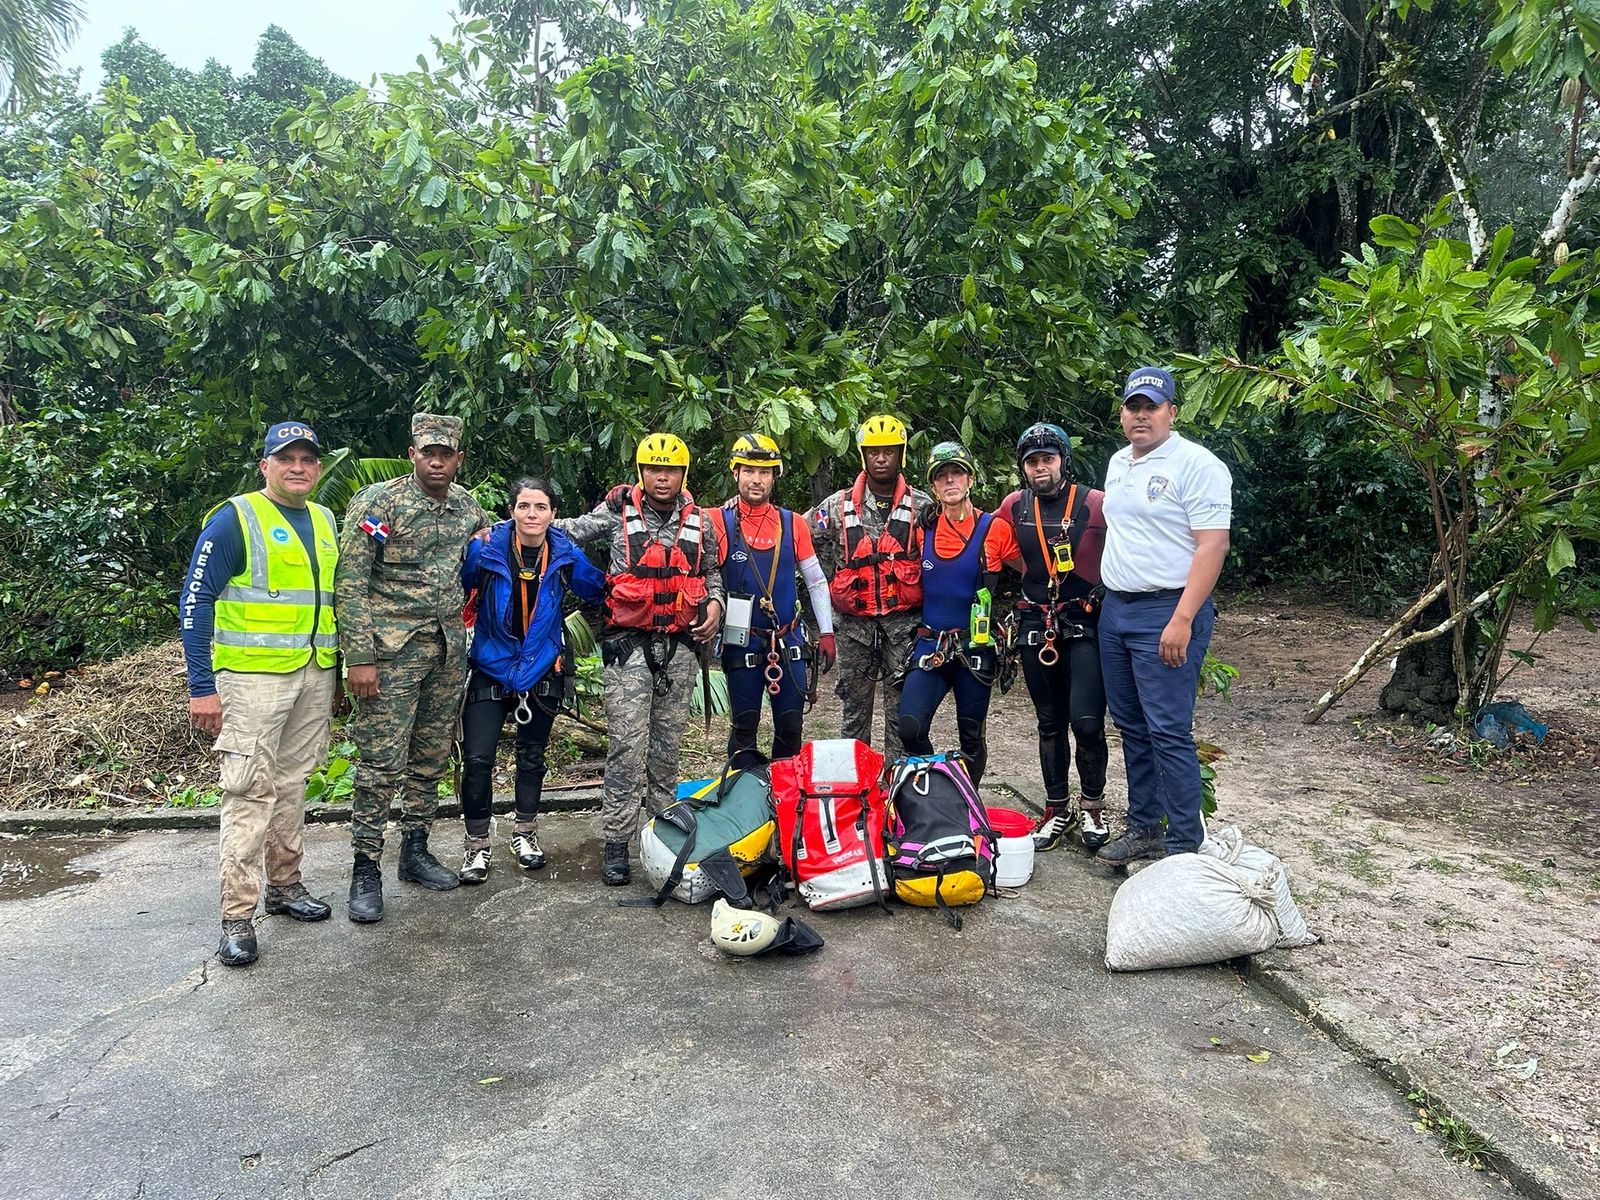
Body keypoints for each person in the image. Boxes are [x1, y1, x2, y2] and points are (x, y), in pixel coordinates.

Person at [180, 421, 340, 967]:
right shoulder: (236, 518)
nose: (298, 467)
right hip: (251, 680)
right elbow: (195, 602)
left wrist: (336, 673)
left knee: (292, 784)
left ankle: (286, 885)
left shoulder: (325, 520)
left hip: (313, 673)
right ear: (265, 466)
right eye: (286, 458)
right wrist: (202, 686)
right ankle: (237, 916)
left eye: (307, 459)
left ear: (317, 467)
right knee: (248, 790)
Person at [336, 412, 491, 921]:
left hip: (446, 655)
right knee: (380, 763)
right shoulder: (380, 504)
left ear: (458, 458)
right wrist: (359, 657)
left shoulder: (466, 507)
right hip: (390, 656)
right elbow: (351, 582)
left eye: (446, 453)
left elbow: (495, 540)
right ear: (413, 454)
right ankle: (365, 868)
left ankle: (415, 850)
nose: (437, 461)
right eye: (429, 452)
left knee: (430, 757)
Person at [557, 434, 725, 886]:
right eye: (653, 469)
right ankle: (616, 842)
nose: (661, 477)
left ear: (683, 474)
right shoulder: (616, 512)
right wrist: (514, 524)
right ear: (641, 472)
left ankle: (661, 838)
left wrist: (715, 604)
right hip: (628, 648)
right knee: (626, 751)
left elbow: (711, 573)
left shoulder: (702, 523)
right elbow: (565, 531)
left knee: (666, 752)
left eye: (670, 470)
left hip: (680, 649)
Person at [1095, 367, 1232, 866]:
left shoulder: (1198, 465)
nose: (1141, 415)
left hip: (1168, 610)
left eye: (1151, 407)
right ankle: (1145, 830)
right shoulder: (1118, 463)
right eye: (1133, 406)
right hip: (1117, 611)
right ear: (1122, 413)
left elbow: (1213, 545)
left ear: (1172, 411)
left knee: (1168, 731)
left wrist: (1183, 617)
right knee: (1131, 727)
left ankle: (1183, 847)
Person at [456, 478, 606, 882]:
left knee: (532, 756)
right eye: (524, 506)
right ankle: (476, 845)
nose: (532, 514)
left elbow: (600, 591)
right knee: (477, 759)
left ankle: (525, 833)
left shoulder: (564, 552)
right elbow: (455, 587)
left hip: (541, 666)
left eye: (541, 507)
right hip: (490, 664)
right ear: (512, 511)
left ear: (553, 513)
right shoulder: (486, 548)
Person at [995, 423, 1111, 853]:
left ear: (1064, 460)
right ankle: (1057, 807)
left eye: (1048, 458)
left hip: (1084, 621)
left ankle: (1093, 805)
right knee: (1049, 722)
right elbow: (984, 540)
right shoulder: (1013, 506)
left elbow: (1133, 544)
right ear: (1022, 467)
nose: (1040, 467)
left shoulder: (1095, 503)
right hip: (1035, 623)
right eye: (1032, 461)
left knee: (1086, 722)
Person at [705, 434, 836, 768]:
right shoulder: (718, 521)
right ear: (735, 473)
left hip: (787, 640)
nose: (756, 479)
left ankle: (784, 795)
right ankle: (744, 794)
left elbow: (816, 580)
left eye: (764, 472)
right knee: (744, 728)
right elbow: (676, 508)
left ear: (774, 476)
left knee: (791, 728)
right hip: (742, 640)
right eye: (749, 471)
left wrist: (826, 632)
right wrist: (626, 496)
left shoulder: (793, 523)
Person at [805, 416, 930, 761]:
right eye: (874, 452)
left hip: (904, 629)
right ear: (863, 455)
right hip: (853, 630)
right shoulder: (836, 505)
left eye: (889, 451)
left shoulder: (923, 507)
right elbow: (803, 541)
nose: (881, 458)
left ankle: (896, 785)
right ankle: (856, 786)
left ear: (901, 454)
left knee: (902, 718)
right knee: (853, 716)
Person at [895, 441, 1019, 785]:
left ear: (971, 480)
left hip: (975, 647)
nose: (950, 480)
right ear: (933, 487)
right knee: (910, 727)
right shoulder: (922, 528)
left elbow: (1032, 571)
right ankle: (935, 790)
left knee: (971, 737)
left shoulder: (995, 529)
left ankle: (968, 801)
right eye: (942, 476)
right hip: (931, 645)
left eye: (957, 473)